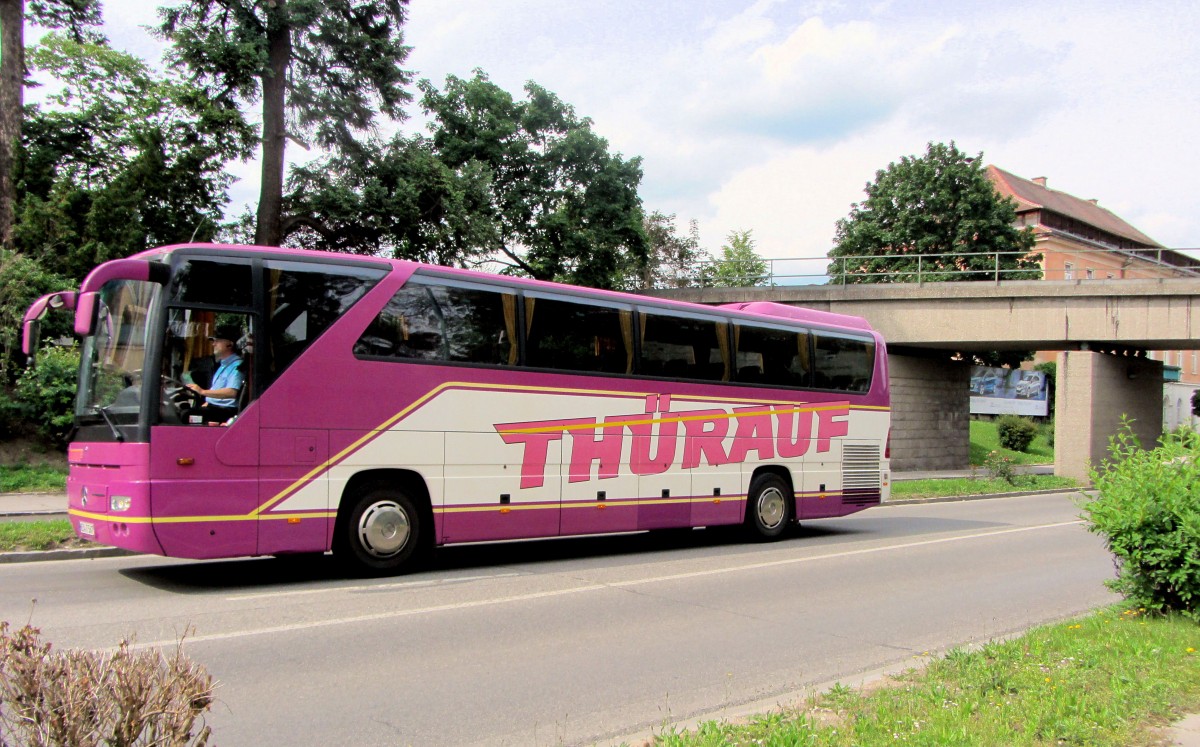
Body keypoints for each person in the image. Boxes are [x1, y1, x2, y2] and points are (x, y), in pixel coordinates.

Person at [187, 325, 244, 423]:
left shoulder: (237, 366)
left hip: (224, 411)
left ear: (230, 344)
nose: (214, 344)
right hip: (214, 407)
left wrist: (202, 392)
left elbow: (232, 392)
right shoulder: (222, 364)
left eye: (218, 341)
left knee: (185, 416)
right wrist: (207, 402)